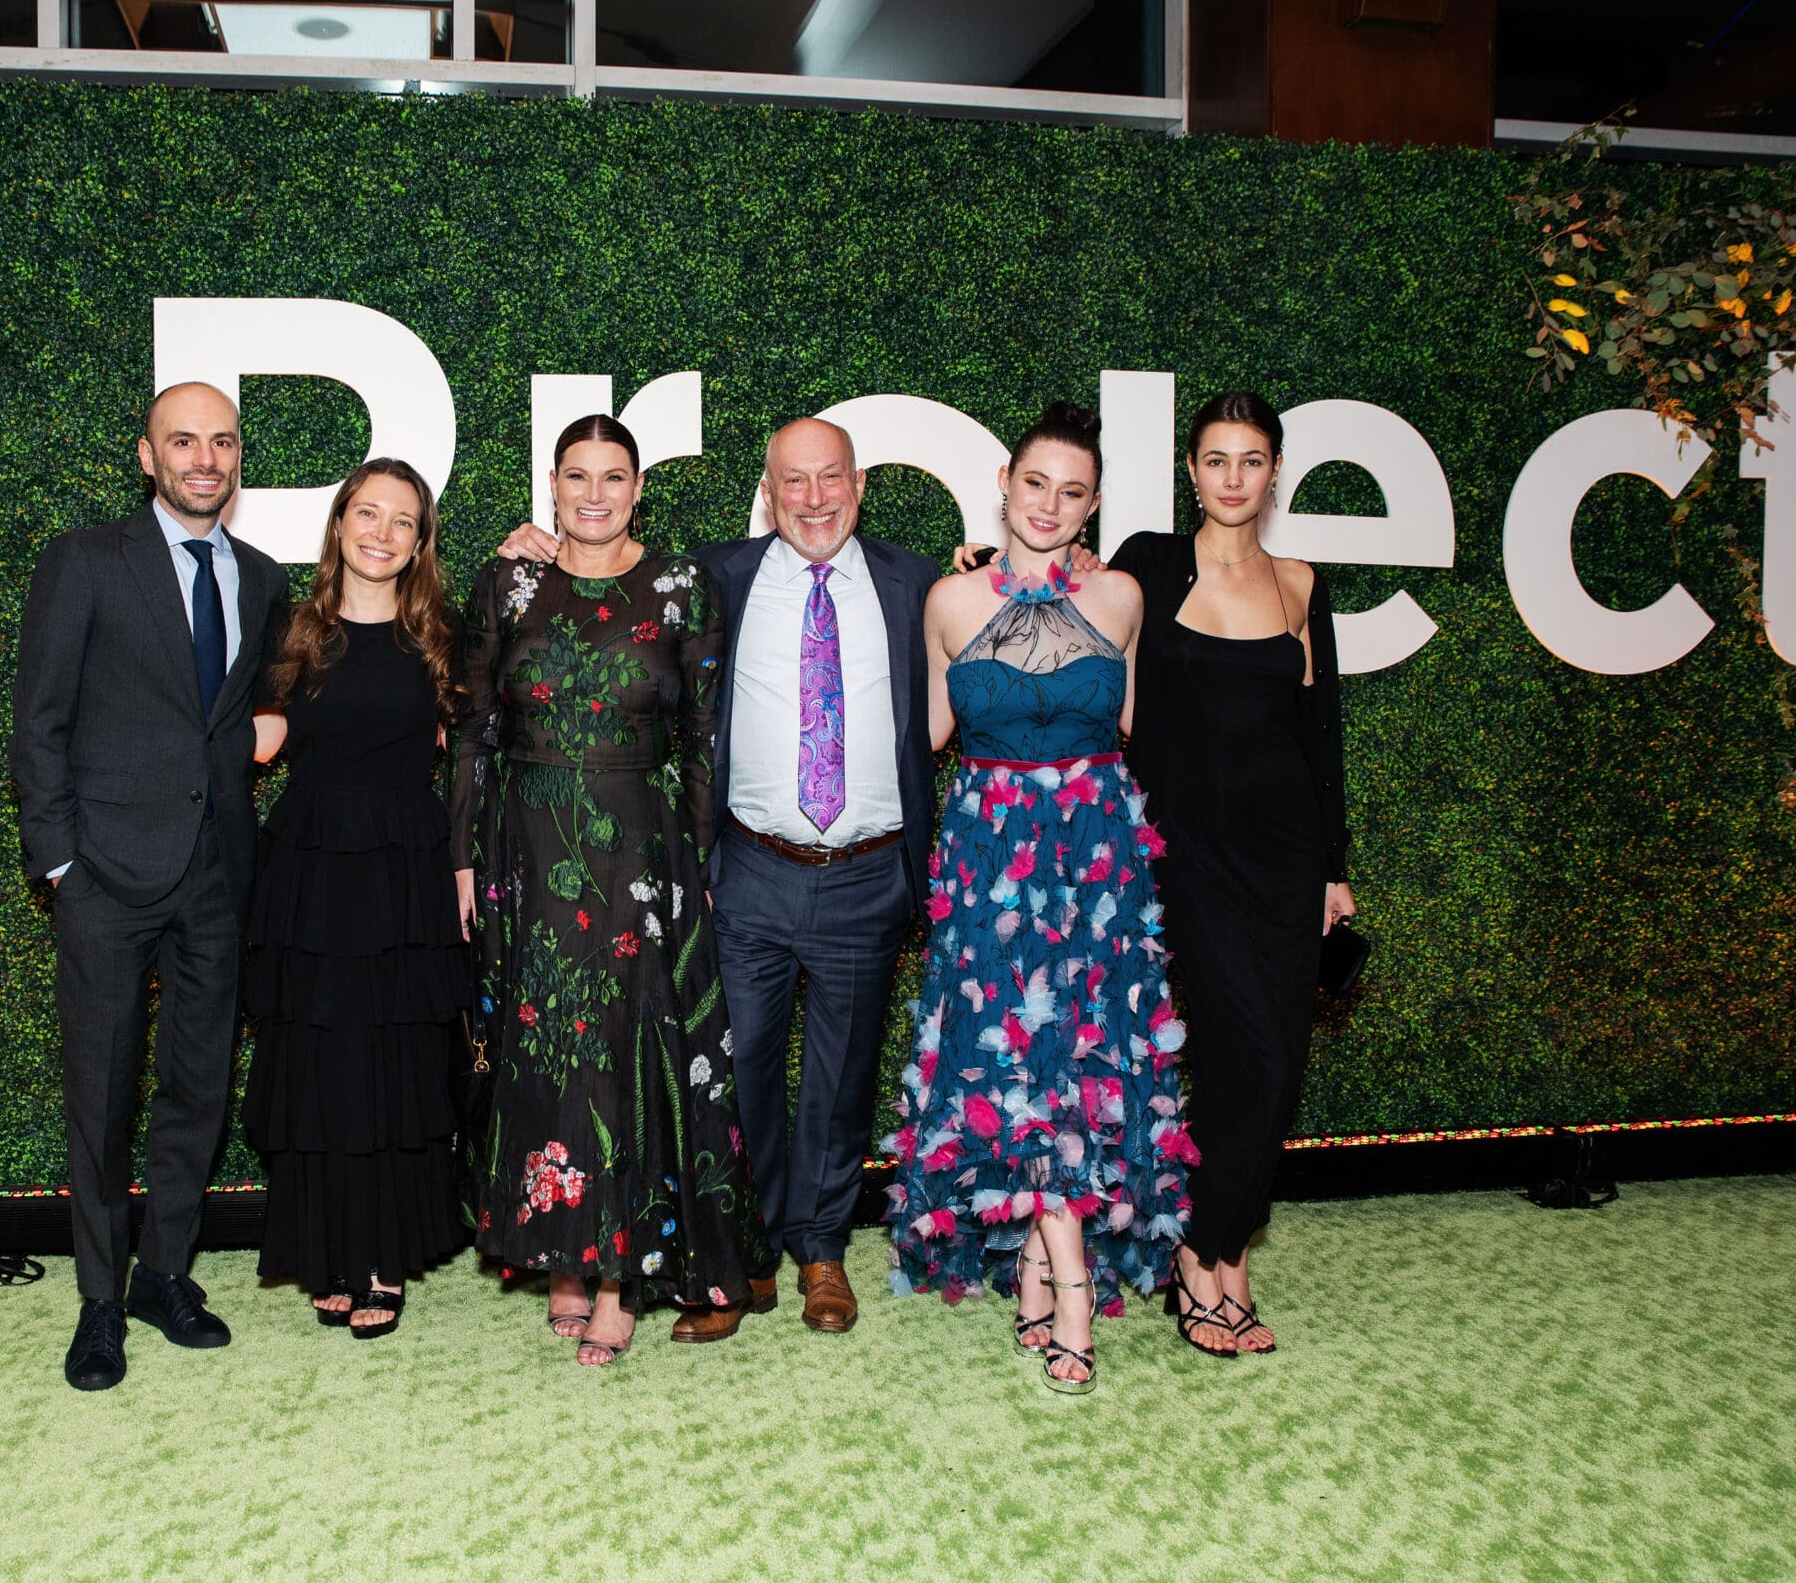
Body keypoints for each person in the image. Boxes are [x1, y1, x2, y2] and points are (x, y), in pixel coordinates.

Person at [499, 416, 942, 1341]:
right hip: (746, 868)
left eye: (830, 480)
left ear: (858, 487)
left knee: (840, 1072)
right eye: (793, 483)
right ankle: (736, 1253)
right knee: (726, 1070)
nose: (813, 499)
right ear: (768, 492)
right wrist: (531, 545)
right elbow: (601, 586)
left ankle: (819, 1246)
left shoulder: (914, 582)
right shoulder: (713, 578)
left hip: (866, 868)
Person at [888, 403, 1192, 1396]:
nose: (1050, 504)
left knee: (1075, 1069)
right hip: (989, 862)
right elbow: (924, 733)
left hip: (1098, 865)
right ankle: (1066, 1288)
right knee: (1015, 1063)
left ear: (1092, 501)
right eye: (1035, 484)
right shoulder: (947, 600)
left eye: (1071, 491)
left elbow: (1133, 722)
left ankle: (1039, 1269)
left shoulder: (1122, 599)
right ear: (1005, 487)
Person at [452, 414, 766, 1366]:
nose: (595, 493)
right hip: (524, 851)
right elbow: (471, 728)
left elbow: (706, 741)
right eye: (577, 476)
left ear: (637, 489)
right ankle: (560, 1253)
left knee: (627, 1054)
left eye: (614, 477)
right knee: (543, 1053)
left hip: (641, 853)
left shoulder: (679, 587)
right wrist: (464, 856)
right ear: (552, 484)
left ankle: (622, 1274)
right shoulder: (507, 580)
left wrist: (699, 866)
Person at [10, 381, 289, 1392]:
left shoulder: (259, 578)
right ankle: (98, 1302)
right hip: (106, 881)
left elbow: (242, 708)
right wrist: (61, 864)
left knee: (198, 1089)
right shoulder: (86, 560)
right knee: (100, 1092)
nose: (204, 457)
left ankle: (163, 1272)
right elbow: (37, 720)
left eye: (220, 441)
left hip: (217, 879)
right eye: (183, 440)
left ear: (236, 455)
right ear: (147, 454)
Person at [1110, 391, 1354, 1357]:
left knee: (1276, 1065)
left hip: (1284, 854)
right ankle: (1203, 1257)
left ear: (1274, 471)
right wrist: (989, 570)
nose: (1233, 479)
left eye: (1252, 461)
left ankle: (1221, 1255)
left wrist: (1334, 866)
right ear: (1191, 469)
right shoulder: (1151, 562)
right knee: (1234, 1054)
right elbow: (1070, 595)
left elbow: (1321, 733)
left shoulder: (1300, 582)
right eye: (1217, 460)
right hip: (1181, 849)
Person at [243, 458, 468, 1340]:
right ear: (339, 524)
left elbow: (471, 758)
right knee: (322, 1062)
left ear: (420, 542)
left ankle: (383, 1257)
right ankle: (329, 1248)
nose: (380, 531)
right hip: (311, 871)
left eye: (401, 520)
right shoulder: (292, 630)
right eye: (366, 513)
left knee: (397, 1063)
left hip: (407, 871)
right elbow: (251, 738)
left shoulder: (442, 638)